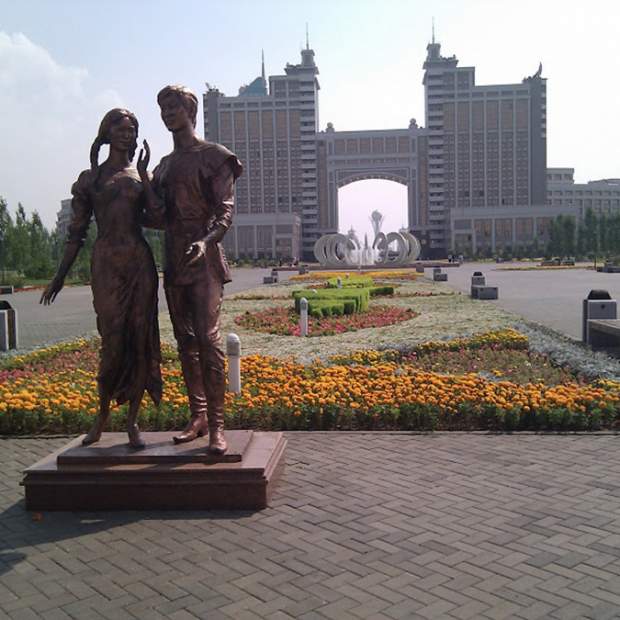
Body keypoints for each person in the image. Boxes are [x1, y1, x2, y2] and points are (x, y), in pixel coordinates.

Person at [41, 109, 162, 449]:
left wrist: (146, 178)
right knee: (112, 342)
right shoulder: (89, 179)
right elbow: (76, 234)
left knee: (140, 340)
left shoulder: (141, 175)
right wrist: (60, 276)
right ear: (106, 133)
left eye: (132, 129)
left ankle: (133, 421)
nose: (127, 134)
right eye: (121, 128)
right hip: (107, 264)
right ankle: (102, 415)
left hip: (139, 263)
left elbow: (158, 217)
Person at [140, 85, 242, 455]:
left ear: (190, 111)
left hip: (205, 260)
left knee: (207, 339)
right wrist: (144, 180)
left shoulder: (215, 156)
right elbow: (157, 218)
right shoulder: (165, 166)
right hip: (174, 259)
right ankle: (197, 416)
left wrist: (206, 240)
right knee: (185, 343)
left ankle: (217, 425)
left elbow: (225, 210)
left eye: (174, 106)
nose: (168, 113)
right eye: (163, 108)